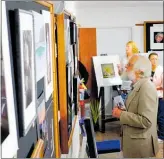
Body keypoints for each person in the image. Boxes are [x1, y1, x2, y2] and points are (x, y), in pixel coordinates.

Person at [112, 55, 159, 158]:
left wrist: (121, 114)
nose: (126, 67)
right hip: (134, 143)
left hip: (141, 147)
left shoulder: (147, 88)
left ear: (139, 71)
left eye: (129, 65)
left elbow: (146, 120)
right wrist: (123, 111)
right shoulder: (137, 85)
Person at [148, 52, 164, 141]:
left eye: (156, 59)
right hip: (150, 97)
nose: (154, 61)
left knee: (160, 117)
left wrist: (154, 88)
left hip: (160, 97)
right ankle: (154, 133)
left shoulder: (161, 70)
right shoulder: (147, 71)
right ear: (149, 60)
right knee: (152, 117)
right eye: (152, 59)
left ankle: (162, 136)